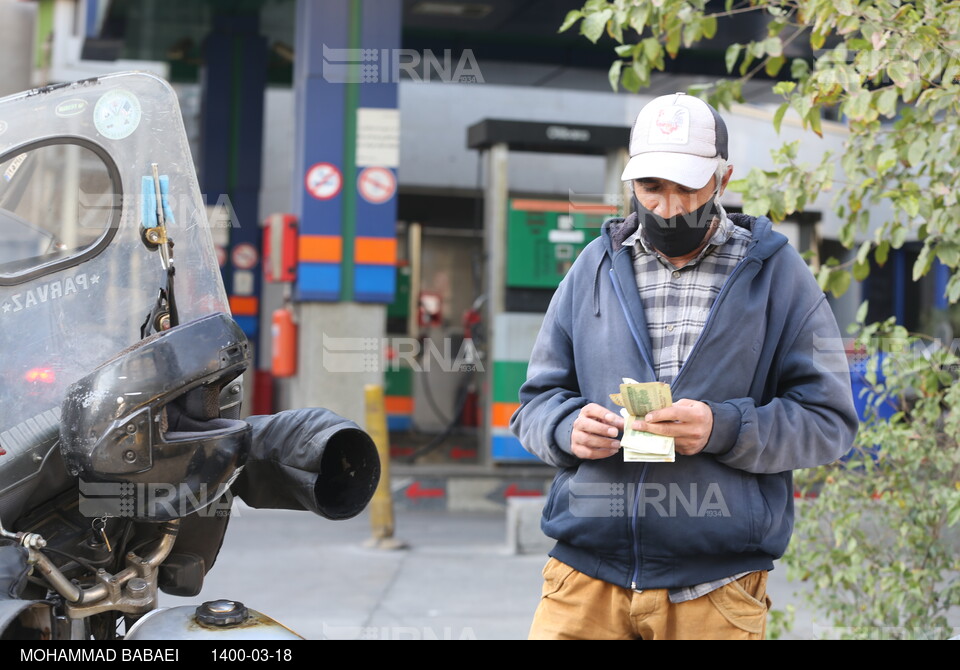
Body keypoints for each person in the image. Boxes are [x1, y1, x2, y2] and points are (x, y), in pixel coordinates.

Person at [510, 92, 858, 640]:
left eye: (687, 187)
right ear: (631, 183)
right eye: (652, 188)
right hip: (583, 581)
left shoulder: (778, 275)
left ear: (723, 178)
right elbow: (535, 402)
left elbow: (829, 423)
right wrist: (564, 428)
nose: (669, 207)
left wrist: (724, 428)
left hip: (714, 588)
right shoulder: (593, 268)